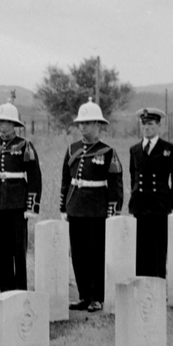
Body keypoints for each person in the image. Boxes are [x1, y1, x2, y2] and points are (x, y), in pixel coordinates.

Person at [60, 101, 124, 312]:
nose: (83, 127)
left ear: (98, 125)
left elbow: (115, 185)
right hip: (76, 207)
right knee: (78, 254)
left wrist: (112, 213)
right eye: (81, 123)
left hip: (97, 210)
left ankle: (97, 297)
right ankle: (83, 295)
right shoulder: (72, 150)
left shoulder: (107, 152)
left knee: (96, 254)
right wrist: (63, 208)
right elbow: (65, 181)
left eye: (87, 123)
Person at [0, 102, 41, 292]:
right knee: (0, 248)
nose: (1, 125)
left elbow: (34, 177)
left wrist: (31, 206)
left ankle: (19, 288)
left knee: (18, 249)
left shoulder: (24, 145)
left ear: (14, 124)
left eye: (5, 122)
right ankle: (4, 287)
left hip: (17, 203)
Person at [128, 107, 173, 279]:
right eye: (144, 124)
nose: (147, 128)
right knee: (140, 247)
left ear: (159, 126)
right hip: (140, 206)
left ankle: (159, 283)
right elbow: (133, 177)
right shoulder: (135, 150)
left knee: (159, 248)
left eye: (151, 124)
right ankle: (141, 283)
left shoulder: (169, 149)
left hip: (160, 205)